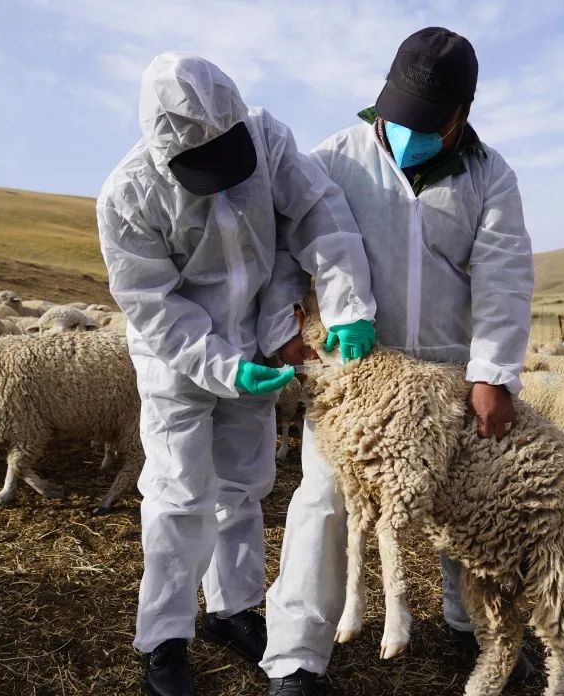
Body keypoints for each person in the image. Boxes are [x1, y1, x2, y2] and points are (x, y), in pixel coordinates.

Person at [260, 28, 535, 695]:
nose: (401, 132)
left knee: (467, 500)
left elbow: (503, 275)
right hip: (357, 382)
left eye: (422, 123)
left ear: (459, 115)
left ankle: (469, 625)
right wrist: (279, 325)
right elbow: (286, 251)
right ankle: (296, 653)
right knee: (328, 497)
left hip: (445, 373)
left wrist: (493, 372)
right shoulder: (333, 160)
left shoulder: (487, 176)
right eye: (395, 116)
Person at [96, 52, 377, 696]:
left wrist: (348, 305)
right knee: (177, 494)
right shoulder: (130, 194)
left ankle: (232, 610)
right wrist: (221, 365)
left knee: (244, 487)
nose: (222, 180)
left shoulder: (266, 136)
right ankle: (164, 639)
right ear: (166, 150)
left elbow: (319, 216)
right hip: (180, 363)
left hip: (255, 342)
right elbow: (153, 306)